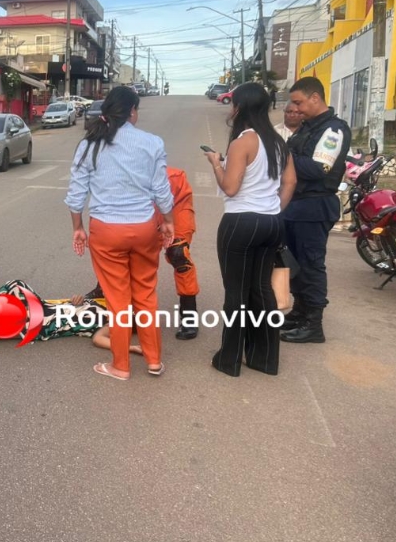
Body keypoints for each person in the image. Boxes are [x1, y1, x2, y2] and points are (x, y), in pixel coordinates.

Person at [66, 86, 174, 381]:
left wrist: (78, 227)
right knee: (146, 294)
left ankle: (121, 366)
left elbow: (77, 195)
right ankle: (154, 361)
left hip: (106, 231)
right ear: (132, 111)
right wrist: (168, 222)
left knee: (118, 300)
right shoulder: (152, 143)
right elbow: (162, 191)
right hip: (143, 229)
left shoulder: (90, 144)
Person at [204, 83, 296, 376]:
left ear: (240, 108)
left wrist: (216, 164)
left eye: (234, 103)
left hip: (241, 223)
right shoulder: (279, 142)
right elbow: (291, 181)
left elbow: (230, 188)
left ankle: (229, 360)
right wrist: (274, 209)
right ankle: (264, 358)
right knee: (261, 290)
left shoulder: (243, 141)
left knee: (236, 293)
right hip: (270, 223)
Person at [85, 166, 200, 340]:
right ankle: (104, 288)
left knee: (178, 254)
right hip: (144, 208)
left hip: (175, 201)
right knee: (120, 245)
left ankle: (189, 314)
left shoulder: (172, 177)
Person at [280, 76, 352, 344]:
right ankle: (300, 312)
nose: (295, 108)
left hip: (314, 204)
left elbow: (317, 168)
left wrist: (284, 158)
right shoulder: (307, 128)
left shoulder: (333, 130)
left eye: (299, 102)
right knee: (295, 264)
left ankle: (314, 324)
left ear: (315, 98)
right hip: (297, 205)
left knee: (311, 264)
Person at [0, 280, 143, 360]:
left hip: (49, 324)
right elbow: (79, 302)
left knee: (3, 328)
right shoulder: (103, 306)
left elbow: (98, 339)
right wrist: (78, 300)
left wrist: (131, 348)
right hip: (49, 309)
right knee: (16, 285)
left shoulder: (111, 324)